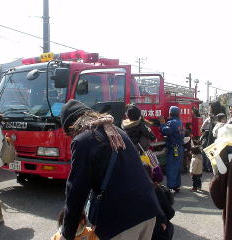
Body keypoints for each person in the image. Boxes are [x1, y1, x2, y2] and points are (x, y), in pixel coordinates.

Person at [58, 100, 163, 240]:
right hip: (148, 211)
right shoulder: (116, 131)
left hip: (122, 220)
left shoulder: (82, 141)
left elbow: (76, 192)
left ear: (72, 127)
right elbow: (141, 172)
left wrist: (67, 234)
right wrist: (161, 214)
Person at [144, 164, 175, 240]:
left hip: (139, 231)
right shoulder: (155, 190)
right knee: (169, 228)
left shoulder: (128, 192)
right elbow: (170, 212)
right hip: (156, 231)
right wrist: (163, 221)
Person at [159, 106, 184, 193]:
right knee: (177, 168)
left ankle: (171, 187)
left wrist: (162, 123)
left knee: (171, 167)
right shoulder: (180, 122)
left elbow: (166, 131)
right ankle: (176, 186)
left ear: (170, 113)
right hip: (179, 148)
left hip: (173, 149)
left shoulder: (172, 122)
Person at [200, 101, 225, 172]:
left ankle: (213, 169)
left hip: (215, 139)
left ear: (214, 108)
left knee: (213, 155)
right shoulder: (215, 116)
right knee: (212, 154)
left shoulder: (217, 117)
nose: (209, 108)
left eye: (210, 107)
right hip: (212, 138)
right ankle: (211, 168)